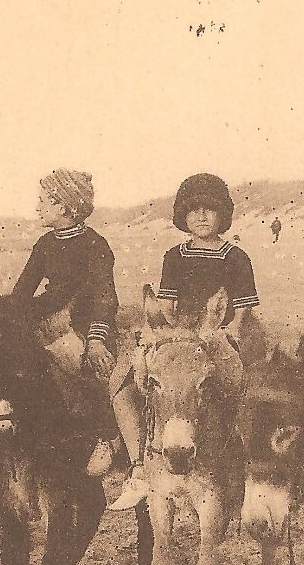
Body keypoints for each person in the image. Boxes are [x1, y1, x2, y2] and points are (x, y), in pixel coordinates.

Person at [0, 169, 121, 494]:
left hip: (82, 323)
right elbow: (22, 293)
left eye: (43, 201)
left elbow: (106, 296)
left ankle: (105, 438)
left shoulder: (95, 245)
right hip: (45, 319)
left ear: (64, 207)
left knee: (79, 367)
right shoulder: (45, 244)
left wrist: (96, 338)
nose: (37, 208)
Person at [109, 173, 260, 511]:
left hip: (221, 330)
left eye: (209, 210)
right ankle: (137, 466)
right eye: (194, 211)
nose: (201, 216)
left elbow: (244, 310)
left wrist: (228, 332)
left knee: (244, 387)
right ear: (183, 217)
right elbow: (166, 305)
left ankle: (245, 465)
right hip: (180, 331)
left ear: (222, 215)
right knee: (124, 380)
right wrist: (156, 332)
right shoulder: (174, 256)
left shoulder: (236, 257)